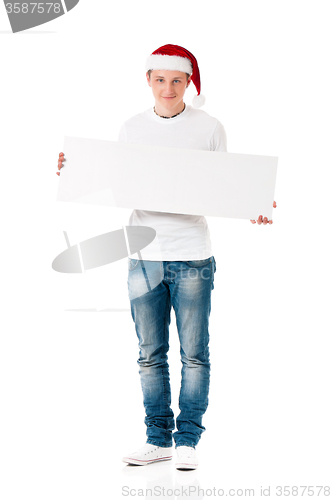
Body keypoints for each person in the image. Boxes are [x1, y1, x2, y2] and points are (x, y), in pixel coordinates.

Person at [56, 44, 276, 470]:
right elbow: (110, 179)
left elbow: (226, 185)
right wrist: (73, 169)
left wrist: (256, 206)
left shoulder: (209, 127)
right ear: (149, 81)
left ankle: (188, 439)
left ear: (188, 82)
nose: (168, 88)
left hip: (192, 254)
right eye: (160, 79)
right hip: (143, 256)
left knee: (194, 353)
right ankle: (157, 439)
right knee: (148, 353)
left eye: (177, 80)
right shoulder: (131, 127)